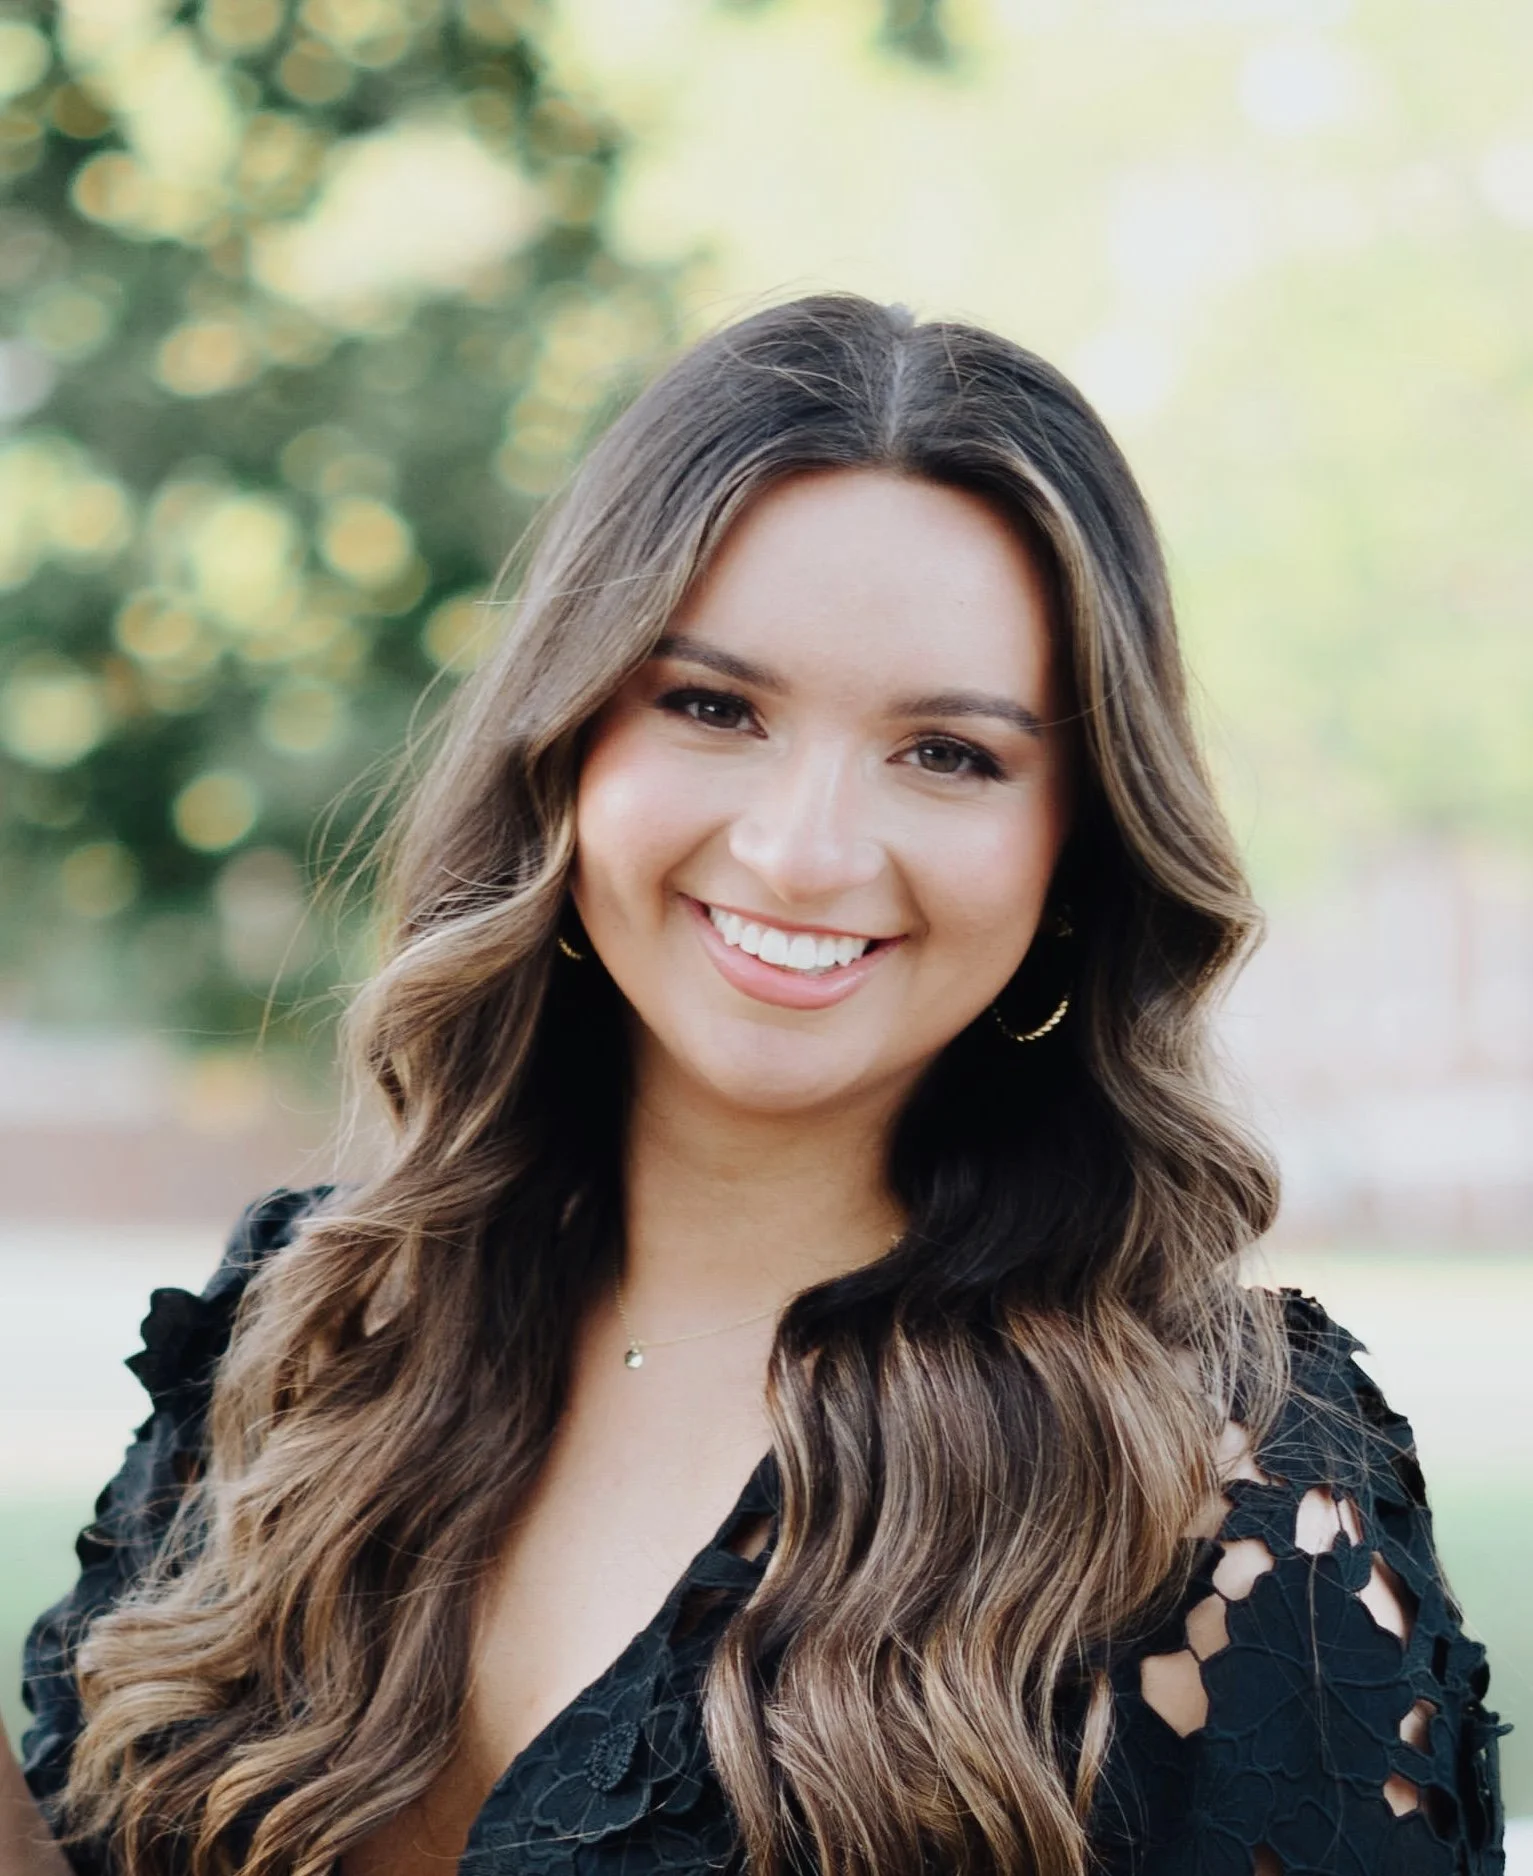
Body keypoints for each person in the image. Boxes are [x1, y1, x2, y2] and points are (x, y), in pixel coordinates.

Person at [4, 295, 1505, 1876]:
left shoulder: (1227, 1498)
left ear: (1077, 845)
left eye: (949, 754)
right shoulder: (315, 1334)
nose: (803, 851)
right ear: (570, 742)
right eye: (713, 707)